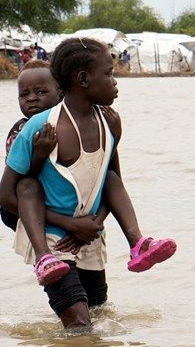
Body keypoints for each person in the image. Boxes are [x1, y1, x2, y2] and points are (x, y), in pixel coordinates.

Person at [0, 39, 176, 329]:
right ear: (83, 79)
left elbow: (111, 179)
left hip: (89, 235)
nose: (115, 81)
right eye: (108, 74)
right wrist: (71, 225)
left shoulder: (107, 122)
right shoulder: (36, 128)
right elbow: (6, 196)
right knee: (79, 326)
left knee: (100, 315)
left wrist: (92, 224)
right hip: (53, 236)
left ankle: (139, 243)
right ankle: (44, 259)